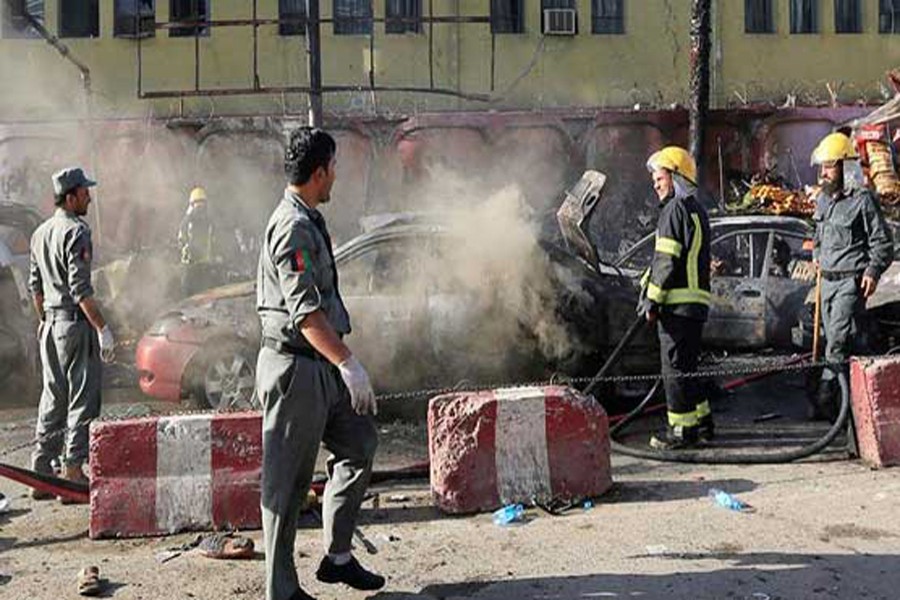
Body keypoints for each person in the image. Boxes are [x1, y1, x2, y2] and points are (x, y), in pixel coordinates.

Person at [256, 127, 383, 600]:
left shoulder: (308, 217)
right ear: (318, 172)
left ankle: (338, 558)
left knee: (359, 442)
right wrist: (349, 363)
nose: (337, 176)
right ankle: (281, 591)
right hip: (296, 369)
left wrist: (340, 365)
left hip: (320, 364)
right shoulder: (292, 226)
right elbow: (304, 312)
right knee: (286, 486)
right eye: (334, 168)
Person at [28, 167, 115, 502]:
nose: (89, 197)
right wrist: (103, 328)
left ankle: (41, 470)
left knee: (52, 396)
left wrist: (45, 321)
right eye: (84, 192)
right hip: (74, 325)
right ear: (70, 197)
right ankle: (73, 470)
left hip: (49, 325)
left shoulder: (39, 233)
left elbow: (35, 287)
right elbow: (81, 291)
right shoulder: (77, 231)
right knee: (83, 396)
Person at [811, 132, 893, 420]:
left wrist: (872, 271)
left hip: (849, 281)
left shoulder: (862, 200)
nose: (824, 173)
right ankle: (847, 405)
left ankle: (826, 397)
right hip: (827, 281)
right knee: (831, 340)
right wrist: (816, 258)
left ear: (846, 167)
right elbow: (818, 236)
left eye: (830, 166)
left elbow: (883, 242)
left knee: (837, 340)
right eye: (822, 167)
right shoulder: (823, 200)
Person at [638, 146, 714, 450]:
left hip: (677, 306)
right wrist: (646, 282)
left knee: (675, 370)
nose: (655, 184)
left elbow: (667, 260)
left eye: (660, 177)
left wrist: (652, 301)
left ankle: (682, 431)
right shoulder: (696, 210)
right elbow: (671, 260)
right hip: (695, 306)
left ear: (677, 177)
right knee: (688, 366)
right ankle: (703, 423)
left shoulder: (672, 210)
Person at [177, 186, 215, 296]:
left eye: (202, 202)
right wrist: (187, 248)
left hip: (204, 264)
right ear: (192, 205)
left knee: (204, 295)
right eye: (197, 203)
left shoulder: (209, 221)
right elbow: (181, 238)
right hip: (189, 264)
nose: (200, 206)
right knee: (187, 295)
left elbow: (213, 239)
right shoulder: (187, 221)